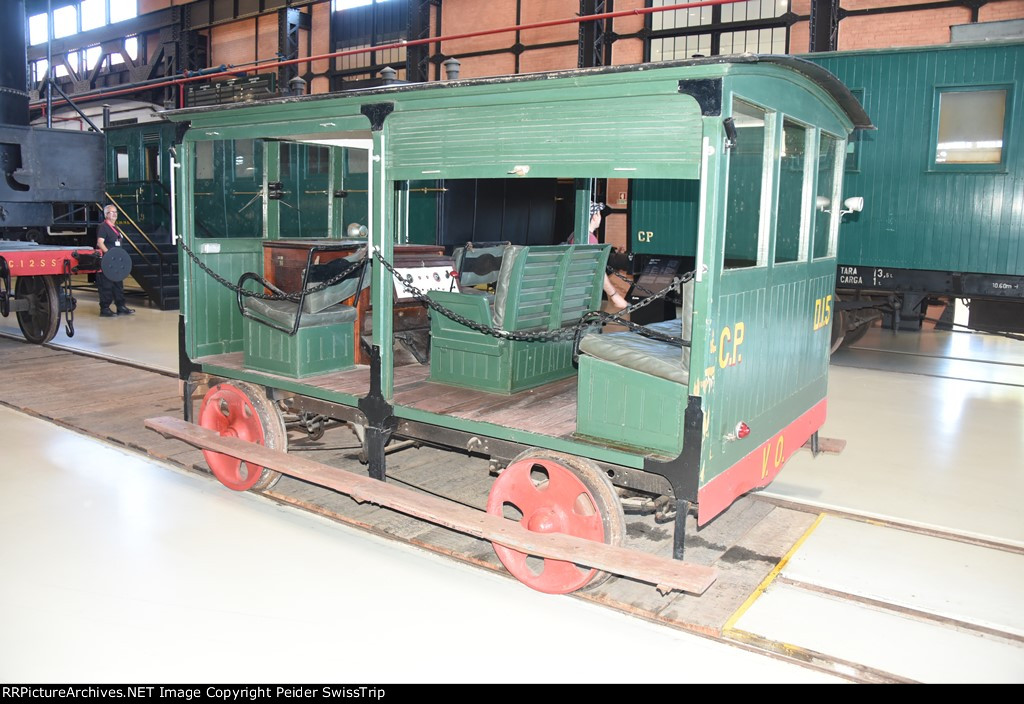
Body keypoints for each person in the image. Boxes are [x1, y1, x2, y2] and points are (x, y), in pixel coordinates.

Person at [567, 202, 628, 310]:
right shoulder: (589, 239)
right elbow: (598, 272)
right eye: (599, 213)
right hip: (581, 295)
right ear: (594, 217)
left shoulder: (575, 235)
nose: (600, 217)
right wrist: (615, 296)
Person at [96, 204, 135, 317]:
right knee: (106, 285)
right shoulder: (103, 227)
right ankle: (105, 308)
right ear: (106, 214)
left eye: (116, 212)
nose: (114, 214)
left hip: (117, 261)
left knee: (118, 284)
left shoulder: (115, 227)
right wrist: (109, 255)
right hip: (108, 261)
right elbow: (100, 242)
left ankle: (121, 306)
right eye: (111, 212)